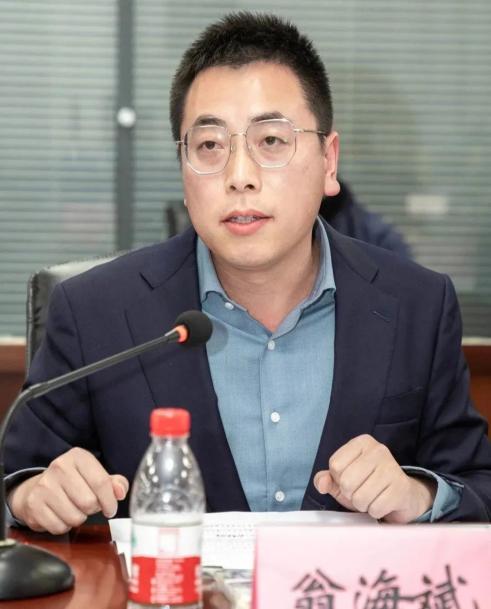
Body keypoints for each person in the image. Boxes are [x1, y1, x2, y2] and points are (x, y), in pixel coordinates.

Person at [5, 13, 490, 534]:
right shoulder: (94, 311)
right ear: (183, 167)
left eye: (272, 141)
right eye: (210, 146)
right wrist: (29, 496)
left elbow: (477, 484)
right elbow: (17, 480)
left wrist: (419, 494)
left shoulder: (417, 304)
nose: (240, 177)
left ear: (329, 162)